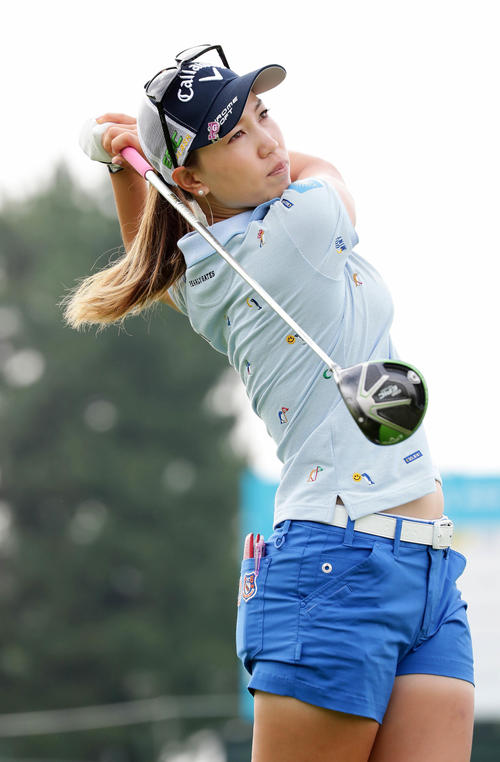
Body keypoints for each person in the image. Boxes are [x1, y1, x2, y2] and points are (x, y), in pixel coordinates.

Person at [68, 45, 474, 762]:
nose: (268, 142)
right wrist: (136, 161)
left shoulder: (200, 273)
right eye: (234, 135)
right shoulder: (300, 224)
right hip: (337, 566)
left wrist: (123, 166)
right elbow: (324, 170)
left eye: (263, 114)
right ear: (189, 176)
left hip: (428, 569)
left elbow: (149, 246)